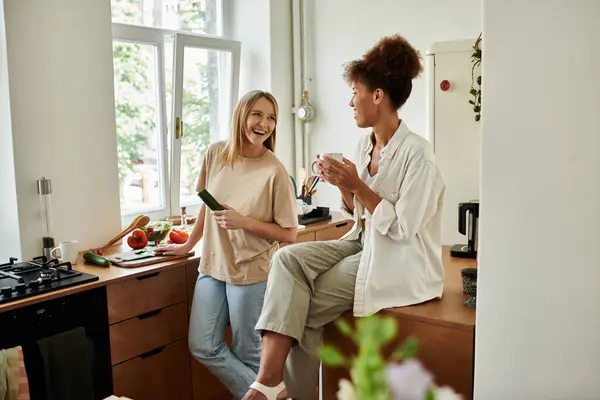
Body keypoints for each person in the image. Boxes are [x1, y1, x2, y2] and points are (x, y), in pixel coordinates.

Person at [242, 34, 446, 400]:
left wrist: (358, 185)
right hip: (361, 242)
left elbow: (403, 229)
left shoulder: (419, 156)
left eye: (356, 91)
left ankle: (276, 387)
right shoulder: (364, 145)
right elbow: (360, 216)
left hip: (399, 259)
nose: (351, 101)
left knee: (301, 304)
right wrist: (344, 188)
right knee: (286, 258)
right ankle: (272, 382)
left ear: (378, 96)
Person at [156, 90, 298, 399]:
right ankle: (274, 394)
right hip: (212, 266)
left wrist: (244, 221)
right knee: (202, 345)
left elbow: (289, 234)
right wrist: (188, 246)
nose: (264, 123)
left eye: (271, 117)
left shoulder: (274, 171)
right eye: (257, 114)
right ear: (241, 116)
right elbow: (208, 208)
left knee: (248, 354)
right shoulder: (216, 153)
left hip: (252, 272)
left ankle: (267, 393)